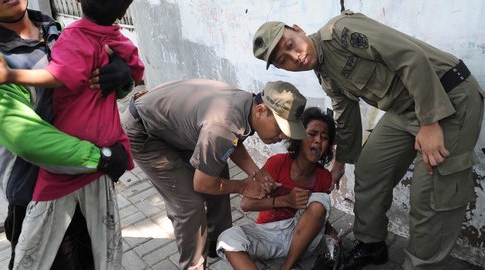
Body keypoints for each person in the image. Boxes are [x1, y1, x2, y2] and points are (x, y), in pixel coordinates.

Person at [252, 10, 484, 270]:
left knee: (429, 196)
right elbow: (346, 116)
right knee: (370, 168)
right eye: (285, 60)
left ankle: (421, 266)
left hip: (449, 96)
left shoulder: (341, 31)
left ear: (298, 29)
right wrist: (338, 164)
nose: (296, 57)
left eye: (291, 45)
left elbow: (410, 57)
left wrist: (430, 122)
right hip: (405, 109)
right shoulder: (324, 73)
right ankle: (371, 244)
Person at [0, 0, 133, 269]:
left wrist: (122, 79)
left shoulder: (58, 31)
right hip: (37, 193)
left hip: (88, 180)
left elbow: (91, 90)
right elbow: (26, 138)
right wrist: (102, 157)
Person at [122, 79, 307, 269]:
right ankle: (193, 266)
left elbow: (232, 141)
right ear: (261, 111)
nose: (283, 137)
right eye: (281, 128)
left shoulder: (247, 105)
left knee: (219, 176)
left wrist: (256, 173)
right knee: (190, 206)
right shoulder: (224, 124)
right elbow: (202, 183)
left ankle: (216, 244)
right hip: (145, 133)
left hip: (174, 127)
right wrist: (243, 186)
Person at [216, 107, 337, 270]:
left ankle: (286, 267)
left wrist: (330, 230)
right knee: (227, 238)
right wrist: (284, 200)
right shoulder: (278, 163)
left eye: (324, 138)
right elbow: (246, 204)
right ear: (299, 138)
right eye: (312, 134)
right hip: (269, 234)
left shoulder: (324, 177)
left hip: (301, 241)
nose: (318, 141)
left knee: (321, 199)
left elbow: (318, 213)